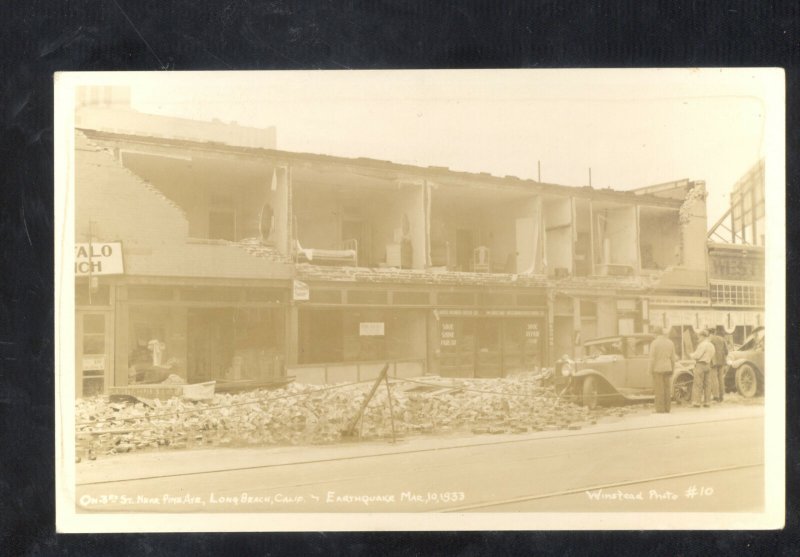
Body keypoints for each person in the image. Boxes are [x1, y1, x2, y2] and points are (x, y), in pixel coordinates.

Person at [649, 327, 677, 413]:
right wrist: (673, 369)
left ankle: (660, 409)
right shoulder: (670, 342)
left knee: (659, 390)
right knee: (667, 389)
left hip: (657, 369)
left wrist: (650, 370)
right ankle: (667, 408)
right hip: (668, 368)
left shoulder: (654, 343)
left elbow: (652, 358)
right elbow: (673, 358)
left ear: (656, 334)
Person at [689, 329, 716, 408]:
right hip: (708, 365)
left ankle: (697, 402)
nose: (698, 338)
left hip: (700, 365)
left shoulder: (702, 345)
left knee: (698, 384)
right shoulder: (711, 345)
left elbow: (697, 355)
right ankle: (707, 402)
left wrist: (691, 355)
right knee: (707, 384)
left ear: (703, 336)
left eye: (699, 337)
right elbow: (713, 354)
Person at [708, 327, 729, 402]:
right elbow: (727, 351)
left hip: (713, 361)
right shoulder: (723, 339)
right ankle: (721, 396)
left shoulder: (710, 340)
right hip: (722, 361)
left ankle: (716, 396)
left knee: (714, 378)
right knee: (721, 378)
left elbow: (709, 350)